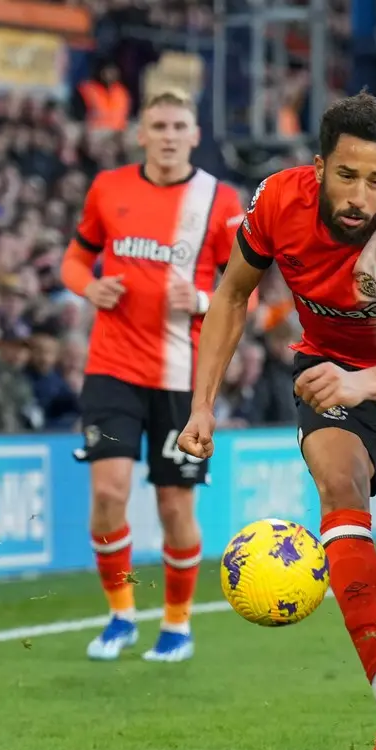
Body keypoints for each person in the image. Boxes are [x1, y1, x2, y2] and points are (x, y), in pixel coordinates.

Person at [177, 92, 376, 750]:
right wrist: (201, 405)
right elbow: (233, 294)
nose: (360, 195)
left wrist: (361, 380)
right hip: (333, 379)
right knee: (340, 479)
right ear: (319, 166)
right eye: (347, 175)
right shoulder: (277, 200)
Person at [60, 89, 246, 664]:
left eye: (179, 125)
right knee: (109, 492)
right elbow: (73, 258)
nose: (168, 135)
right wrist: (89, 287)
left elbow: (243, 286)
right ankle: (119, 615)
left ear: (194, 135)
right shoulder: (108, 189)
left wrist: (197, 299)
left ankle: (176, 623)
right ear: (140, 134)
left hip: (183, 375)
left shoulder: (219, 199)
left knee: (174, 508)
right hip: (112, 368)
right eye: (158, 125)